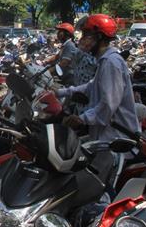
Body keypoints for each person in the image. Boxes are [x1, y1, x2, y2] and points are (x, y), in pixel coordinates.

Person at [56, 14, 140, 142]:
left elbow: (108, 105)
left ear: (99, 37)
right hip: (105, 135)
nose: (82, 39)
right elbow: (91, 86)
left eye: (86, 35)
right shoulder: (104, 61)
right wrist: (60, 92)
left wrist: (82, 119)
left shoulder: (111, 63)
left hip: (117, 139)